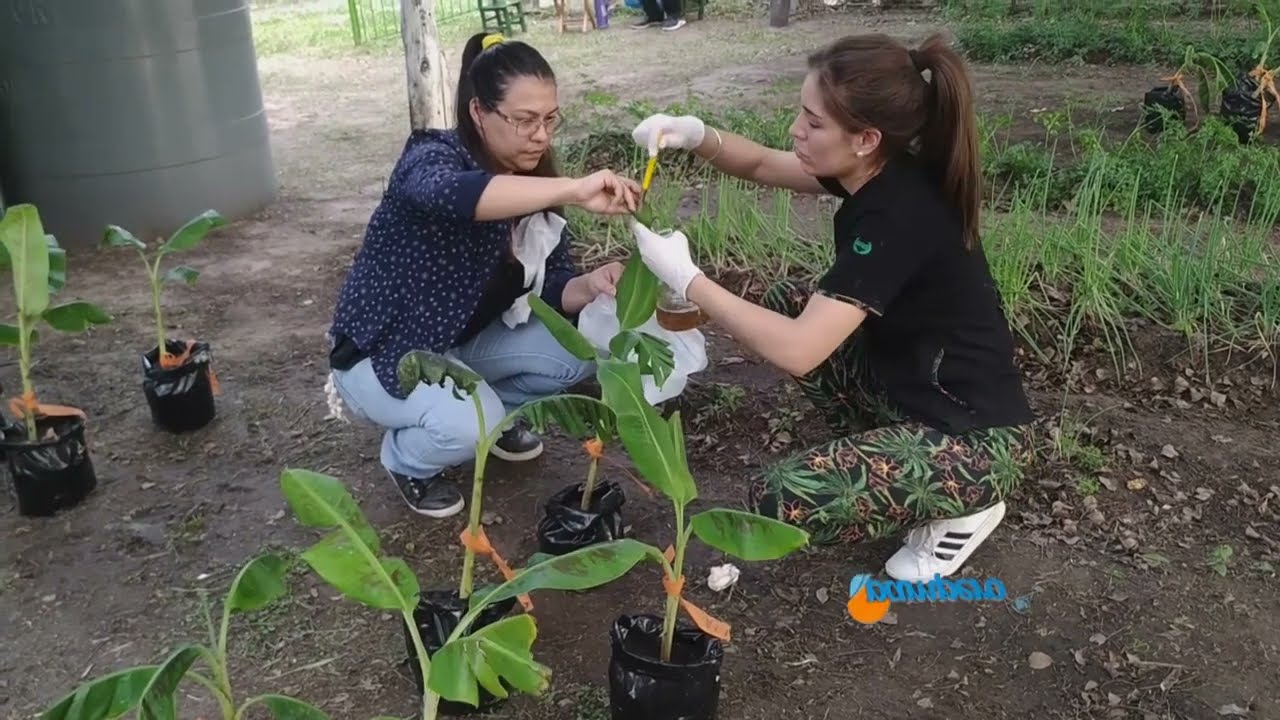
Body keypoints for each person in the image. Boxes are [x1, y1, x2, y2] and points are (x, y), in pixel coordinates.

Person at [626, 33, 1036, 582]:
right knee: (787, 301)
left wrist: (688, 278)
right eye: (803, 112)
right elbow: (762, 165)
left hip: (981, 441)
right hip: (920, 391)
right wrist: (692, 133)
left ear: (866, 138)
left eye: (814, 123)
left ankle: (961, 504)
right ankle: (886, 452)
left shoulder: (897, 216)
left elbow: (800, 351)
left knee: (777, 501)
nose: (797, 130)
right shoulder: (877, 171)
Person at [327, 32, 639, 518]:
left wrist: (592, 285)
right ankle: (406, 458)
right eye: (524, 120)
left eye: (550, 119)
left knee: (580, 355)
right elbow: (455, 196)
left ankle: (492, 418)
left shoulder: (537, 185)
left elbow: (554, 285)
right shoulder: (431, 158)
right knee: (472, 423)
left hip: (458, 342)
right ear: (478, 112)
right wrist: (577, 188)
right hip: (384, 354)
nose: (541, 135)